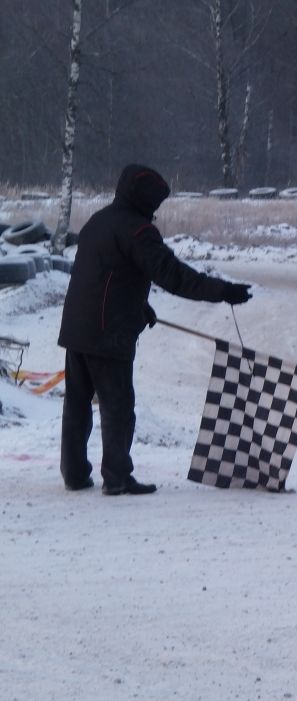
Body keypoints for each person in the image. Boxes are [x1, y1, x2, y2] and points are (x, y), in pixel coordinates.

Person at [58, 163, 252, 495]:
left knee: (77, 406)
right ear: (145, 199)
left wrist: (138, 306)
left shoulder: (98, 221)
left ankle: (74, 474)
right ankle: (117, 478)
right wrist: (223, 291)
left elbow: (104, 274)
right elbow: (172, 275)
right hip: (108, 334)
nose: (157, 210)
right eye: (156, 202)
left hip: (78, 328)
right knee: (117, 407)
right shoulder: (137, 231)